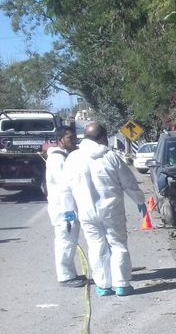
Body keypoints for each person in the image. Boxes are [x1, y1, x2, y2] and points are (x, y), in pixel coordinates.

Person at [63, 121, 147, 297]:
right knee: (117, 245)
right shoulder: (110, 157)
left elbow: (66, 189)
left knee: (96, 247)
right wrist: (140, 201)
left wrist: (69, 210)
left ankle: (103, 285)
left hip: (86, 212)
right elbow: (129, 183)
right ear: (102, 138)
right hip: (111, 210)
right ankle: (122, 284)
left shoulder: (73, 159)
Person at [46, 127, 85, 287]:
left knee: (69, 241)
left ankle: (70, 273)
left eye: (74, 137)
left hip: (66, 208)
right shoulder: (58, 160)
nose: (73, 140)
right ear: (60, 140)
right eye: (69, 138)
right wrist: (69, 214)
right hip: (64, 210)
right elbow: (64, 188)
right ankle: (66, 276)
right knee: (65, 241)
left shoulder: (64, 157)